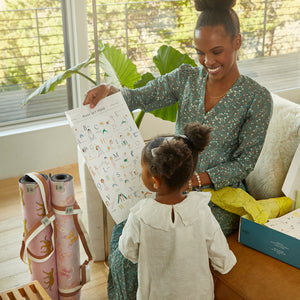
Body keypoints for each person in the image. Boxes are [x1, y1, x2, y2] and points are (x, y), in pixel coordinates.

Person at [84, 0, 272, 298]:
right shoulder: (186, 78)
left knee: (151, 239)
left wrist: (196, 180)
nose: (207, 61)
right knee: (123, 238)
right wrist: (111, 92)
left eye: (216, 52)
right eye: (200, 52)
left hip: (216, 199)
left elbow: (245, 162)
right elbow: (143, 96)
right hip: (170, 184)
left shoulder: (257, 99)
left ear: (237, 42)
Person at [118, 122, 236, 300]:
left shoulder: (140, 215)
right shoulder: (201, 211)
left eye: (142, 168)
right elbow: (222, 258)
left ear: (155, 180)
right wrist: (225, 263)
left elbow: (128, 251)